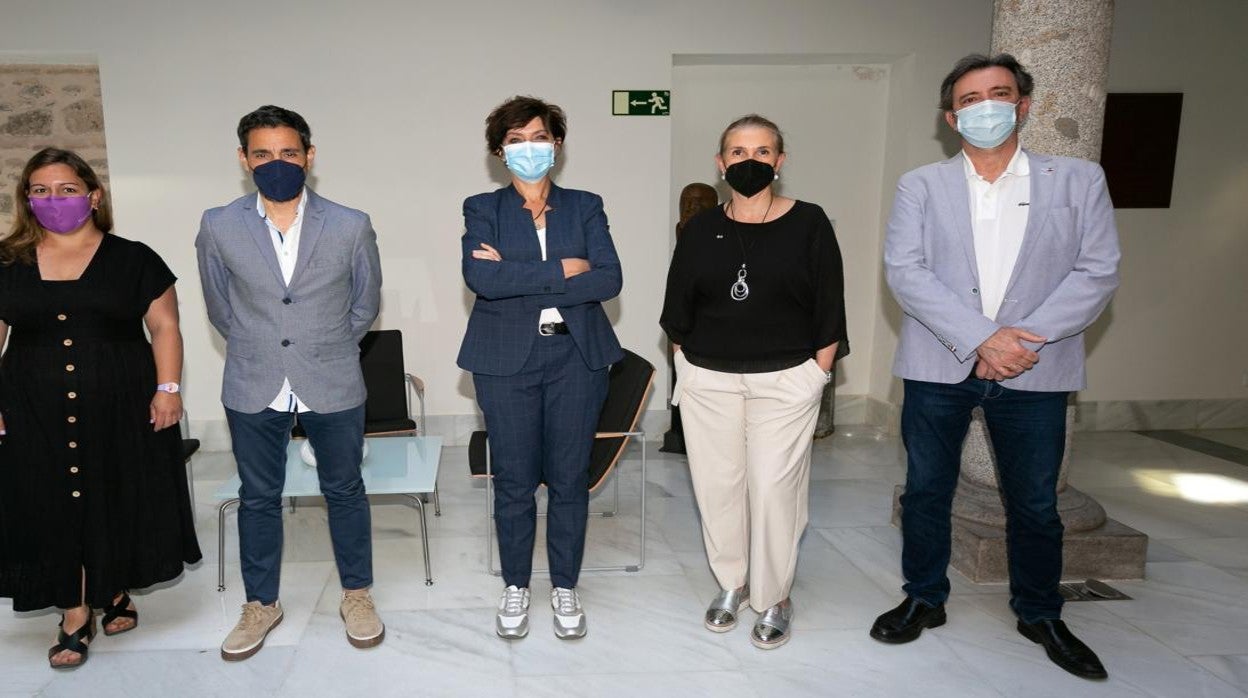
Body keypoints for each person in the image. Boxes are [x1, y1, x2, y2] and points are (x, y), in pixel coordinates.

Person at [871, 54, 1120, 681]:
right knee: (928, 489)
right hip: (939, 362)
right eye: (971, 99)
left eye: (999, 94)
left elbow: (1098, 270)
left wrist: (1018, 340)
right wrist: (983, 337)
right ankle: (924, 597)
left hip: (1036, 365)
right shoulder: (921, 185)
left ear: (1023, 104)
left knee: (1035, 501)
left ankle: (1040, 611)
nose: (987, 107)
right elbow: (906, 272)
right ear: (952, 117)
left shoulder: (1078, 180)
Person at [0, 147, 201, 668]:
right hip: (30, 405)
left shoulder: (134, 258)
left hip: (121, 402)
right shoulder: (6, 262)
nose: (53, 199)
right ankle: (73, 611)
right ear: (27, 200)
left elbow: (164, 327)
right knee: (48, 501)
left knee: (113, 493)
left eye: (66, 189)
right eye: (40, 190)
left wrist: (169, 389)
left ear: (93, 196)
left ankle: (111, 590)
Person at [196, 105, 384, 661]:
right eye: (262, 154)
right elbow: (219, 307)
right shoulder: (218, 224)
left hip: (332, 376)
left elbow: (364, 305)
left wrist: (324, 346)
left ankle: (357, 594)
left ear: (309, 156)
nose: (275, 163)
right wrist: (263, 344)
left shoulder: (350, 223)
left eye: (288, 152)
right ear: (243, 159)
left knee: (345, 489)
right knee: (258, 496)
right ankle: (262, 604)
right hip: (253, 379)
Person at [660, 114, 848, 650]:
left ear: (780, 162)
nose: (749, 161)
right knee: (717, 488)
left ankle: (774, 596)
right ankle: (732, 584)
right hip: (708, 380)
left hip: (787, 379)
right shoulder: (699, 228)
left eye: (762, 152)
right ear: (720, 164)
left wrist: (818, 372)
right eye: (737, 152)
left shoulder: (809, 222)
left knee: (772, 489)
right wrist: (685, 364)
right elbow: (678, 306)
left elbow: (830, 304)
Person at [458, 95, 623, 641]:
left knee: (571, 480)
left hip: (577, 358)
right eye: (515, 139)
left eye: (538, 137)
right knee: (514, 480)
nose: (529, 148)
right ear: (499, 151)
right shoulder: (483, 209)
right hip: (505, 361)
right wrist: (565, 269)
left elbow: (608, 279)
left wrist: (520, 271)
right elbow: (483, 281)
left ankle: (565, 585)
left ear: (557, 143)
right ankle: (516, 585)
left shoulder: (586, 205)